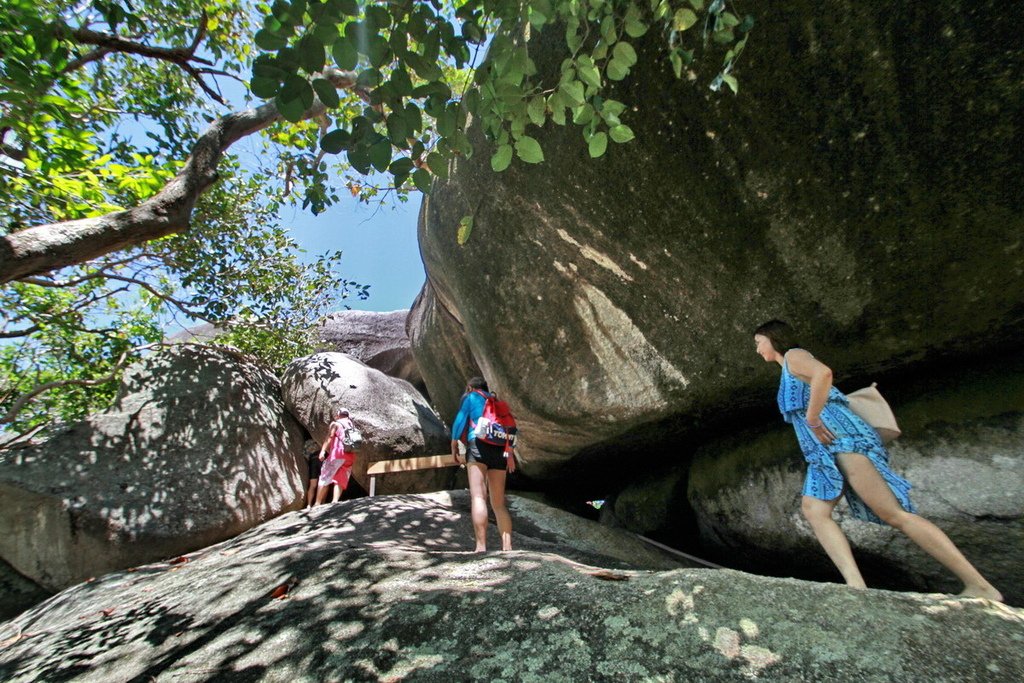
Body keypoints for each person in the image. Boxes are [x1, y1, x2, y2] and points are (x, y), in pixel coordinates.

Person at [753, 319, 1002, 601]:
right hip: (825, 453)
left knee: (895, 515)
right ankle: (856, 585)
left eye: (759, 342)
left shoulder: (795, 356)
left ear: (773, 338)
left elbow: (823, 374)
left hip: (844, 441)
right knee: (814, 509)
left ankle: (979, 585)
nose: (758, 349)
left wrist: (812, 418)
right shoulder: (787, 369)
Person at [451, 376, 515, 552]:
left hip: (478, 446)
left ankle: (480, 547)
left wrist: (454, 443)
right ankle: (507, 547)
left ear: (470, 387)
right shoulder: (495, 401)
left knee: (479, 497)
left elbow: (460, 420)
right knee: (499, 503)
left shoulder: (471, 397)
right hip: (499, 450)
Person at [315, 408, 358, 505]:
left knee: (325, 476)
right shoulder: (352, 425)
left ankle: (317, 503)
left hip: (337, 454)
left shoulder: (336, 424)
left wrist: (322, 451)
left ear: (338, 414)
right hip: (350, 456)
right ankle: (334, 501)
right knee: (340, 478)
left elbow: (330, 437)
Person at [305, 444, 322, 508]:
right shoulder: (321, 441)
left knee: (313, 485)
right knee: (324, 483)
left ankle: (309, 504)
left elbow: (305, 455)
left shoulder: (308, 443)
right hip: (321, 460)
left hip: (312, 460)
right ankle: (321, 502)